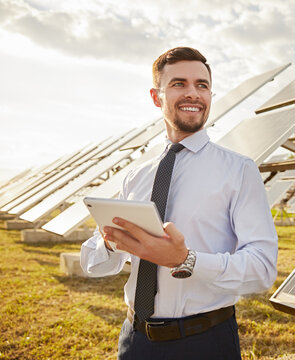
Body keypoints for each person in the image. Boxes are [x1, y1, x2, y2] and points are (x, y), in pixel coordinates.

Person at [80, 47, 278, 360]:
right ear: (156, 96)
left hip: (205, 342)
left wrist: (184, 259)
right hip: (135, 340)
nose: (193, 94)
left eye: (202, 85)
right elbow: (93, 263)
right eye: (178, 84)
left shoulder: (239, 170)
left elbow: (262, 269)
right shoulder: (136, 176)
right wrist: (114, 243)